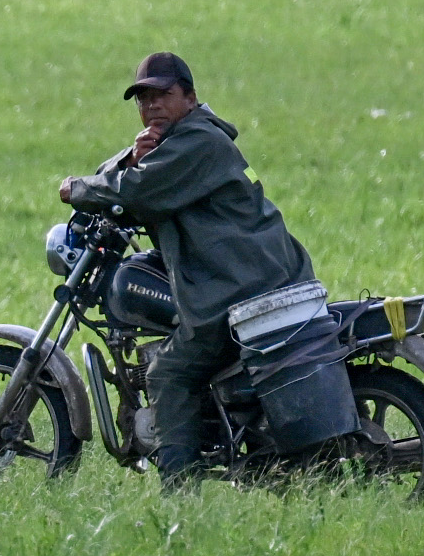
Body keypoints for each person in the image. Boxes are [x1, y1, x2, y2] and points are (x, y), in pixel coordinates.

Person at [57, 53, 314, 476]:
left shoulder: (198, 141)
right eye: (143, 98)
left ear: (190, 98)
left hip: (238, 290)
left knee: (168, 373)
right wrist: (131, 158)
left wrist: (76, 188)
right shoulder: (180, 142)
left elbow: (136, 191)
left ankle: (180, 493)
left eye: (164, 94)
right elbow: (133, 179)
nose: (153, 105)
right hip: (258, 279)